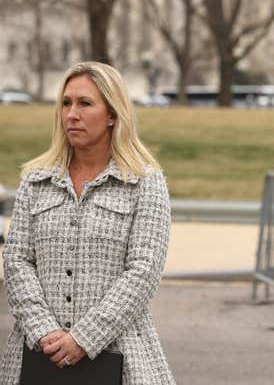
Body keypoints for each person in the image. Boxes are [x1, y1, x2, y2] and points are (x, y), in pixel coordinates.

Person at [1, 62, 175, 384]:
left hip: (124, 358)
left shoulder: (144, 183)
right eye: (66, 103)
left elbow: (144, 270)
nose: (71, 114)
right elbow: (16, 261)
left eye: (85, 103)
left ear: (112, 114)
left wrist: (84, 338)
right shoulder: (36, 181)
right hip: (36, 357)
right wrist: (43, 330)